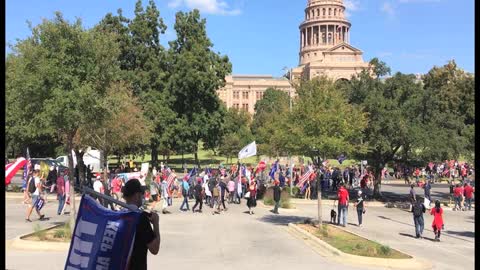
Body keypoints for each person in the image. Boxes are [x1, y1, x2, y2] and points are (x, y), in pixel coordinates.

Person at [122, 179, 160, 270]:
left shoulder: (119, 215)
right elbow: (154, 249)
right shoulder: (140, 218)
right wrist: (155, 224)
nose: (142, 197)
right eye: (141, 194)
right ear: (136, 195)